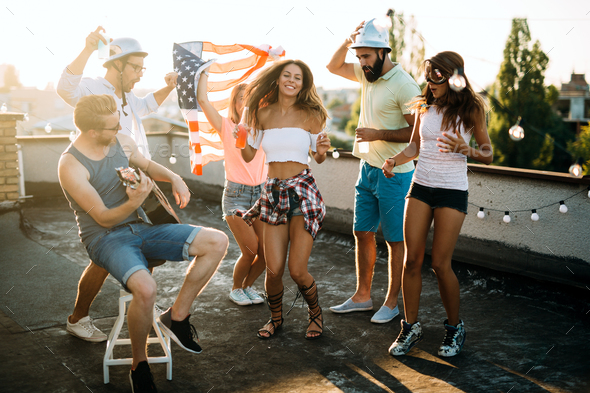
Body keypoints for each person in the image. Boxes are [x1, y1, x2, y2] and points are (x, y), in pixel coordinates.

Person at [58, 94, 228, 391]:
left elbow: (145, 164)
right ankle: (139, 364)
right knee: (146, 288)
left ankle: (176, 317)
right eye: (113, 127)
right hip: (106, 238)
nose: (120, 129)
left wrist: (175, 178)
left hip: (142, 227)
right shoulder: (71, 165)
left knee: (216, 241)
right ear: (92, 131)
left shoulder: (119, 139)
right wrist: (135, 199)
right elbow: (104, 218)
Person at [57, 26, 179, 342]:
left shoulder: (127, 97)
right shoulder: (94, 89)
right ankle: (78, 318)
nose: (140, 73)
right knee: (103, 254)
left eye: (142, 68)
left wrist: (168, 88)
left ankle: (143, 301)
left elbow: (146, 106)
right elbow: (65, 89)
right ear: (116, 64)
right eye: (135, 67)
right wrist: (86, 48)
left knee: (143, 244)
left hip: (134, 178)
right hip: (104, 181)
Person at [383, 52, 493, 357]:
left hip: (452, 191)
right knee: (411, 261)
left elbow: (488, 153)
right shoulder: (425, 106)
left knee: (440, 264)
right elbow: (416, 146)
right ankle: (410, 327)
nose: (430, 82)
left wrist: (464, 148)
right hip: (420, 187)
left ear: (452, 76)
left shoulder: (471, 109)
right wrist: (395, 159)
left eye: (436, 76)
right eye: (427, 75)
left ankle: (455, 328)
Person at [327, 19, 421, 324]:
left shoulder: (404, 85)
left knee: (395, 240)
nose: (361, 63)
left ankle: (392, 303)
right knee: (362, 232)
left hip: (396, 174)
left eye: (366, 56)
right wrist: (348, 41)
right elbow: (332, 67)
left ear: (383, 52)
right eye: (358, 57)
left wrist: (377, 134)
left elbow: (416, 136)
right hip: (367, 169)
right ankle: (362, 297)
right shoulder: (367, 74)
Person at [238, 59, 331, 339]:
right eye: (287, 75)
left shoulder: (311, 115)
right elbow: (248, 155)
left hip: (303, 193)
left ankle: (315, 314)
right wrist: (240, 139)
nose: (292, 80)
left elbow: (319, 157)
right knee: (274, 269)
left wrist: (323, 149)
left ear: (304, 84)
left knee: (297, 270)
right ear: (278, 80)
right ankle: (275, 319)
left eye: (298, 77)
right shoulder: (261, 114)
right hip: (273, 193)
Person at [196, 72, 266, 306]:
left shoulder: (264, 128)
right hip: (237, 196)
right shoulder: (227, 126)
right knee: (250, 250)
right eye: (240, 98)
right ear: (234, 103)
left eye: (250, 97)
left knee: (267, 254)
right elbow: (203, 101)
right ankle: (236, 288)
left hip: (262, 195)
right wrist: (204, 72)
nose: (245, 102)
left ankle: (247, 287)